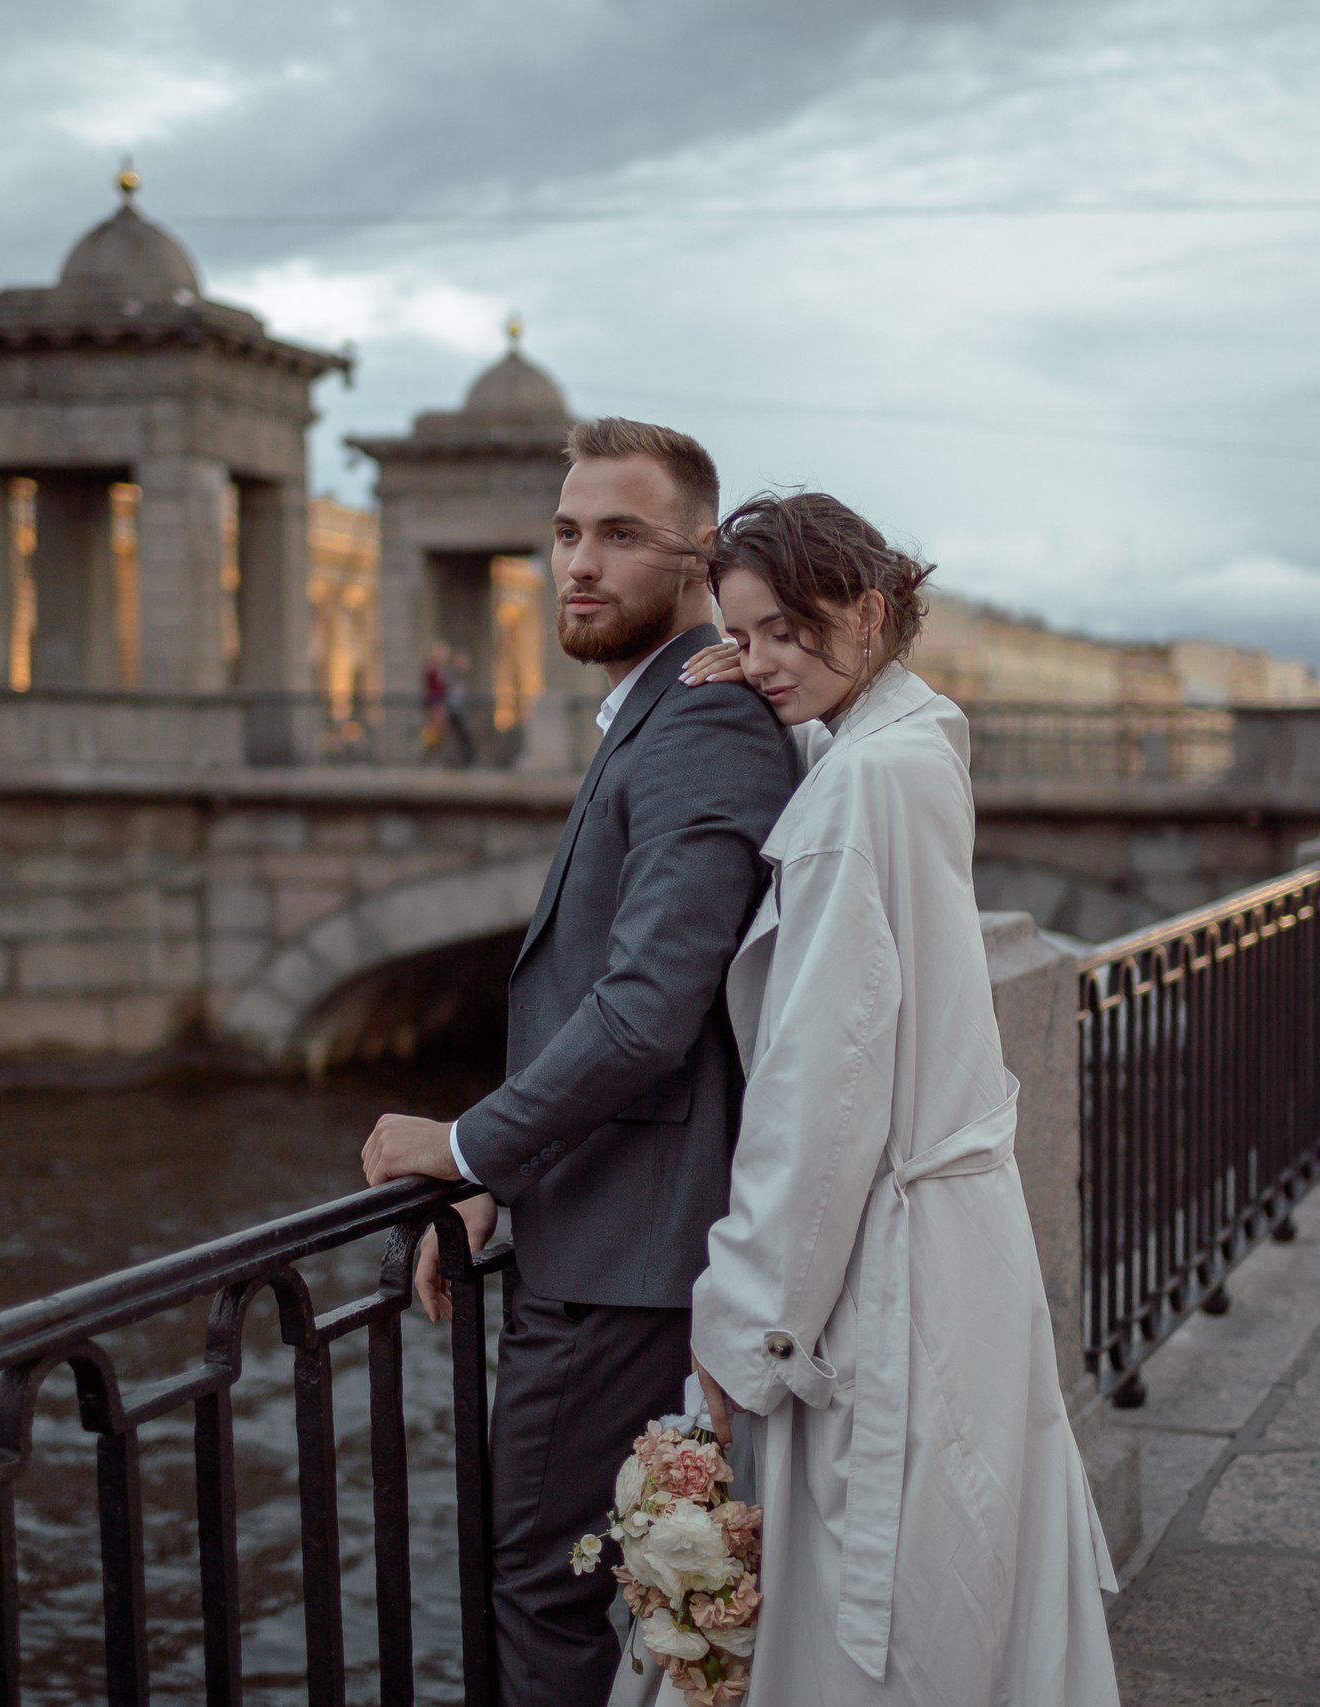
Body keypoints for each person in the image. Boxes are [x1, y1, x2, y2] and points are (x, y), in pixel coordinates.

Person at [360, 420, 801, 1703]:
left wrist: (464, 1146)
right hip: (603, 1229)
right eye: (565, 533)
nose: (579, 564)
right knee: (579, 1581)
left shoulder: (701, 725)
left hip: (623, 1261)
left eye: (619, 535)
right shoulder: (656, 711)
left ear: (700, 557)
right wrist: (502, 1176)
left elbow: (646, 1010)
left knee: (538, 1589)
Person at [674, 491, 1122, 1704]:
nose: (760, 661)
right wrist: (763, 697)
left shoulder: (858, 791)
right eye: (740, 635)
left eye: (783, 631)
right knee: (971, 1564)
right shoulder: (914, 741)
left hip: (889, 1262)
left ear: (867, 613)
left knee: (871, 1609)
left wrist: (745, 1325)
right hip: (964, 1248)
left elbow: (820, 1097)